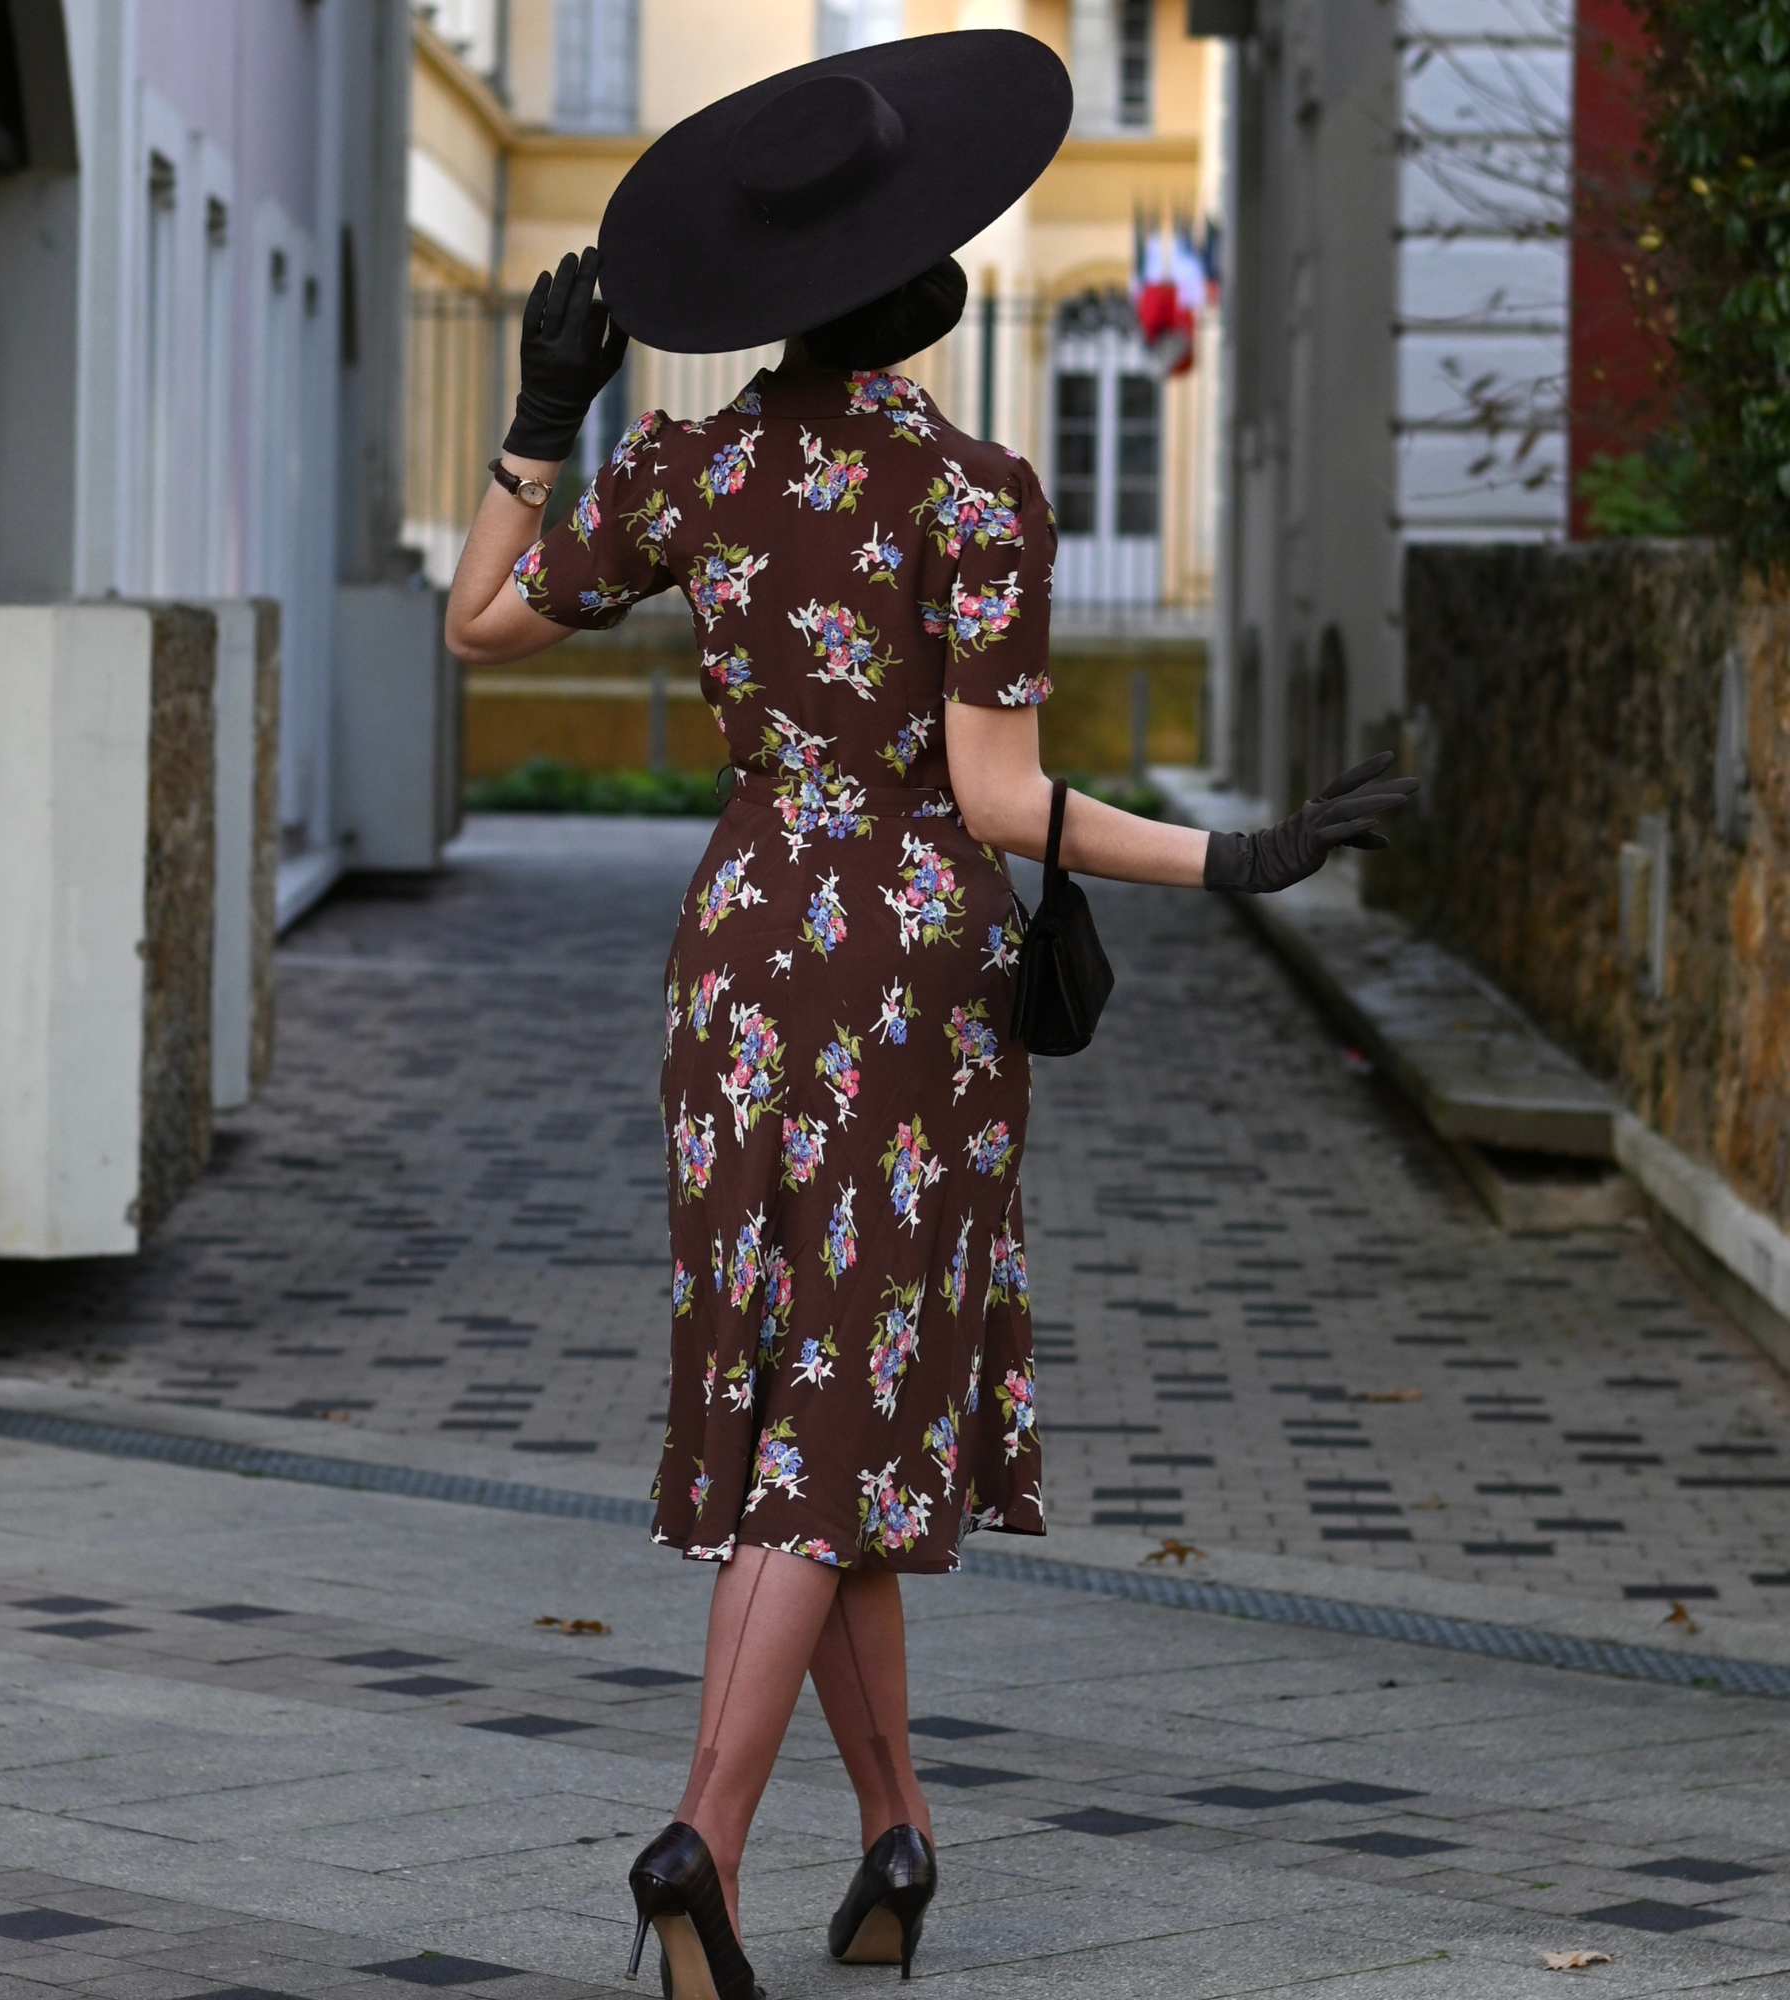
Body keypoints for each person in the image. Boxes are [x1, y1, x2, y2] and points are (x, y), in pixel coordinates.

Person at [445, 32, 1416, 2000]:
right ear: (907, 280)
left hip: (735, 965)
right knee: (841, 1427)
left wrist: (537, 421)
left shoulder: (688, 470)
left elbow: (476, 625)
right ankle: (695, 1842)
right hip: (899, 985)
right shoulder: (971, 497)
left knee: (823, 1404)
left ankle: (896, 1834)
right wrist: (1231, 856)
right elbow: (986, 802)